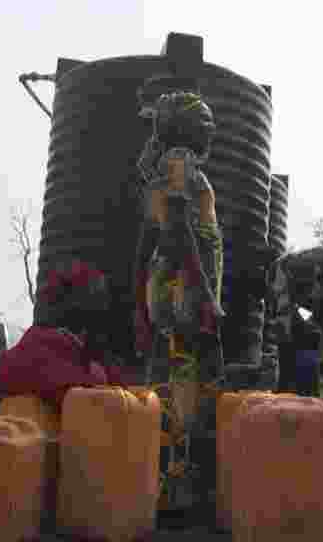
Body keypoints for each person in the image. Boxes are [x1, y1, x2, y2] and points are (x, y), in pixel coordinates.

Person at [133, 90, 224, 520]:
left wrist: (140, 298)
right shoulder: (180, 164)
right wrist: (204, 289)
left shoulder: (158, 167)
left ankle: (161, 483)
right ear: (188, 130)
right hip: (183, 289)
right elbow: (178, 230)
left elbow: (145, 243)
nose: (211, 133)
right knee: (185, 384)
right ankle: (176, 490)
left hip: (166, 286)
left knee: (167, 378)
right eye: (205, 125)